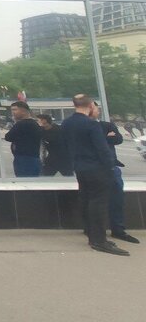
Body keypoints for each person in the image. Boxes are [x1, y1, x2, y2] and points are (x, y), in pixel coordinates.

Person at [62, 94, 128, 256]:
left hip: (80, 167)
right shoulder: (91, 124)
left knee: (86, 200)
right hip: (97, 168)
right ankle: (99, 240)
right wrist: (110, 167)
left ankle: (92, 234)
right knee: (99, 204)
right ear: (91, 105)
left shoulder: (67, 123)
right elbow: (102, 149)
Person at [99, 118, 139, 244]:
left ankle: (118, 228)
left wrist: (101, 138)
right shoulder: (82, 125)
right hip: (92, 168)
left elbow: (118, 139)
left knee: (117, 198)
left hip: (111, 166)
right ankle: (94, 230)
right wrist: (106, 137)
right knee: (94, 200)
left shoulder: (106, 125)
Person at [4, 101, 41, 177]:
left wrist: (16, 123)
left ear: (24, 111)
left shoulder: (21, 124)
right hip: (33, 157)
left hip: (24, 158)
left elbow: (8, 137)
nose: (13, 112)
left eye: (15, 110)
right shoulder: (34, 123)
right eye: (12, 110)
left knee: (24, 180)